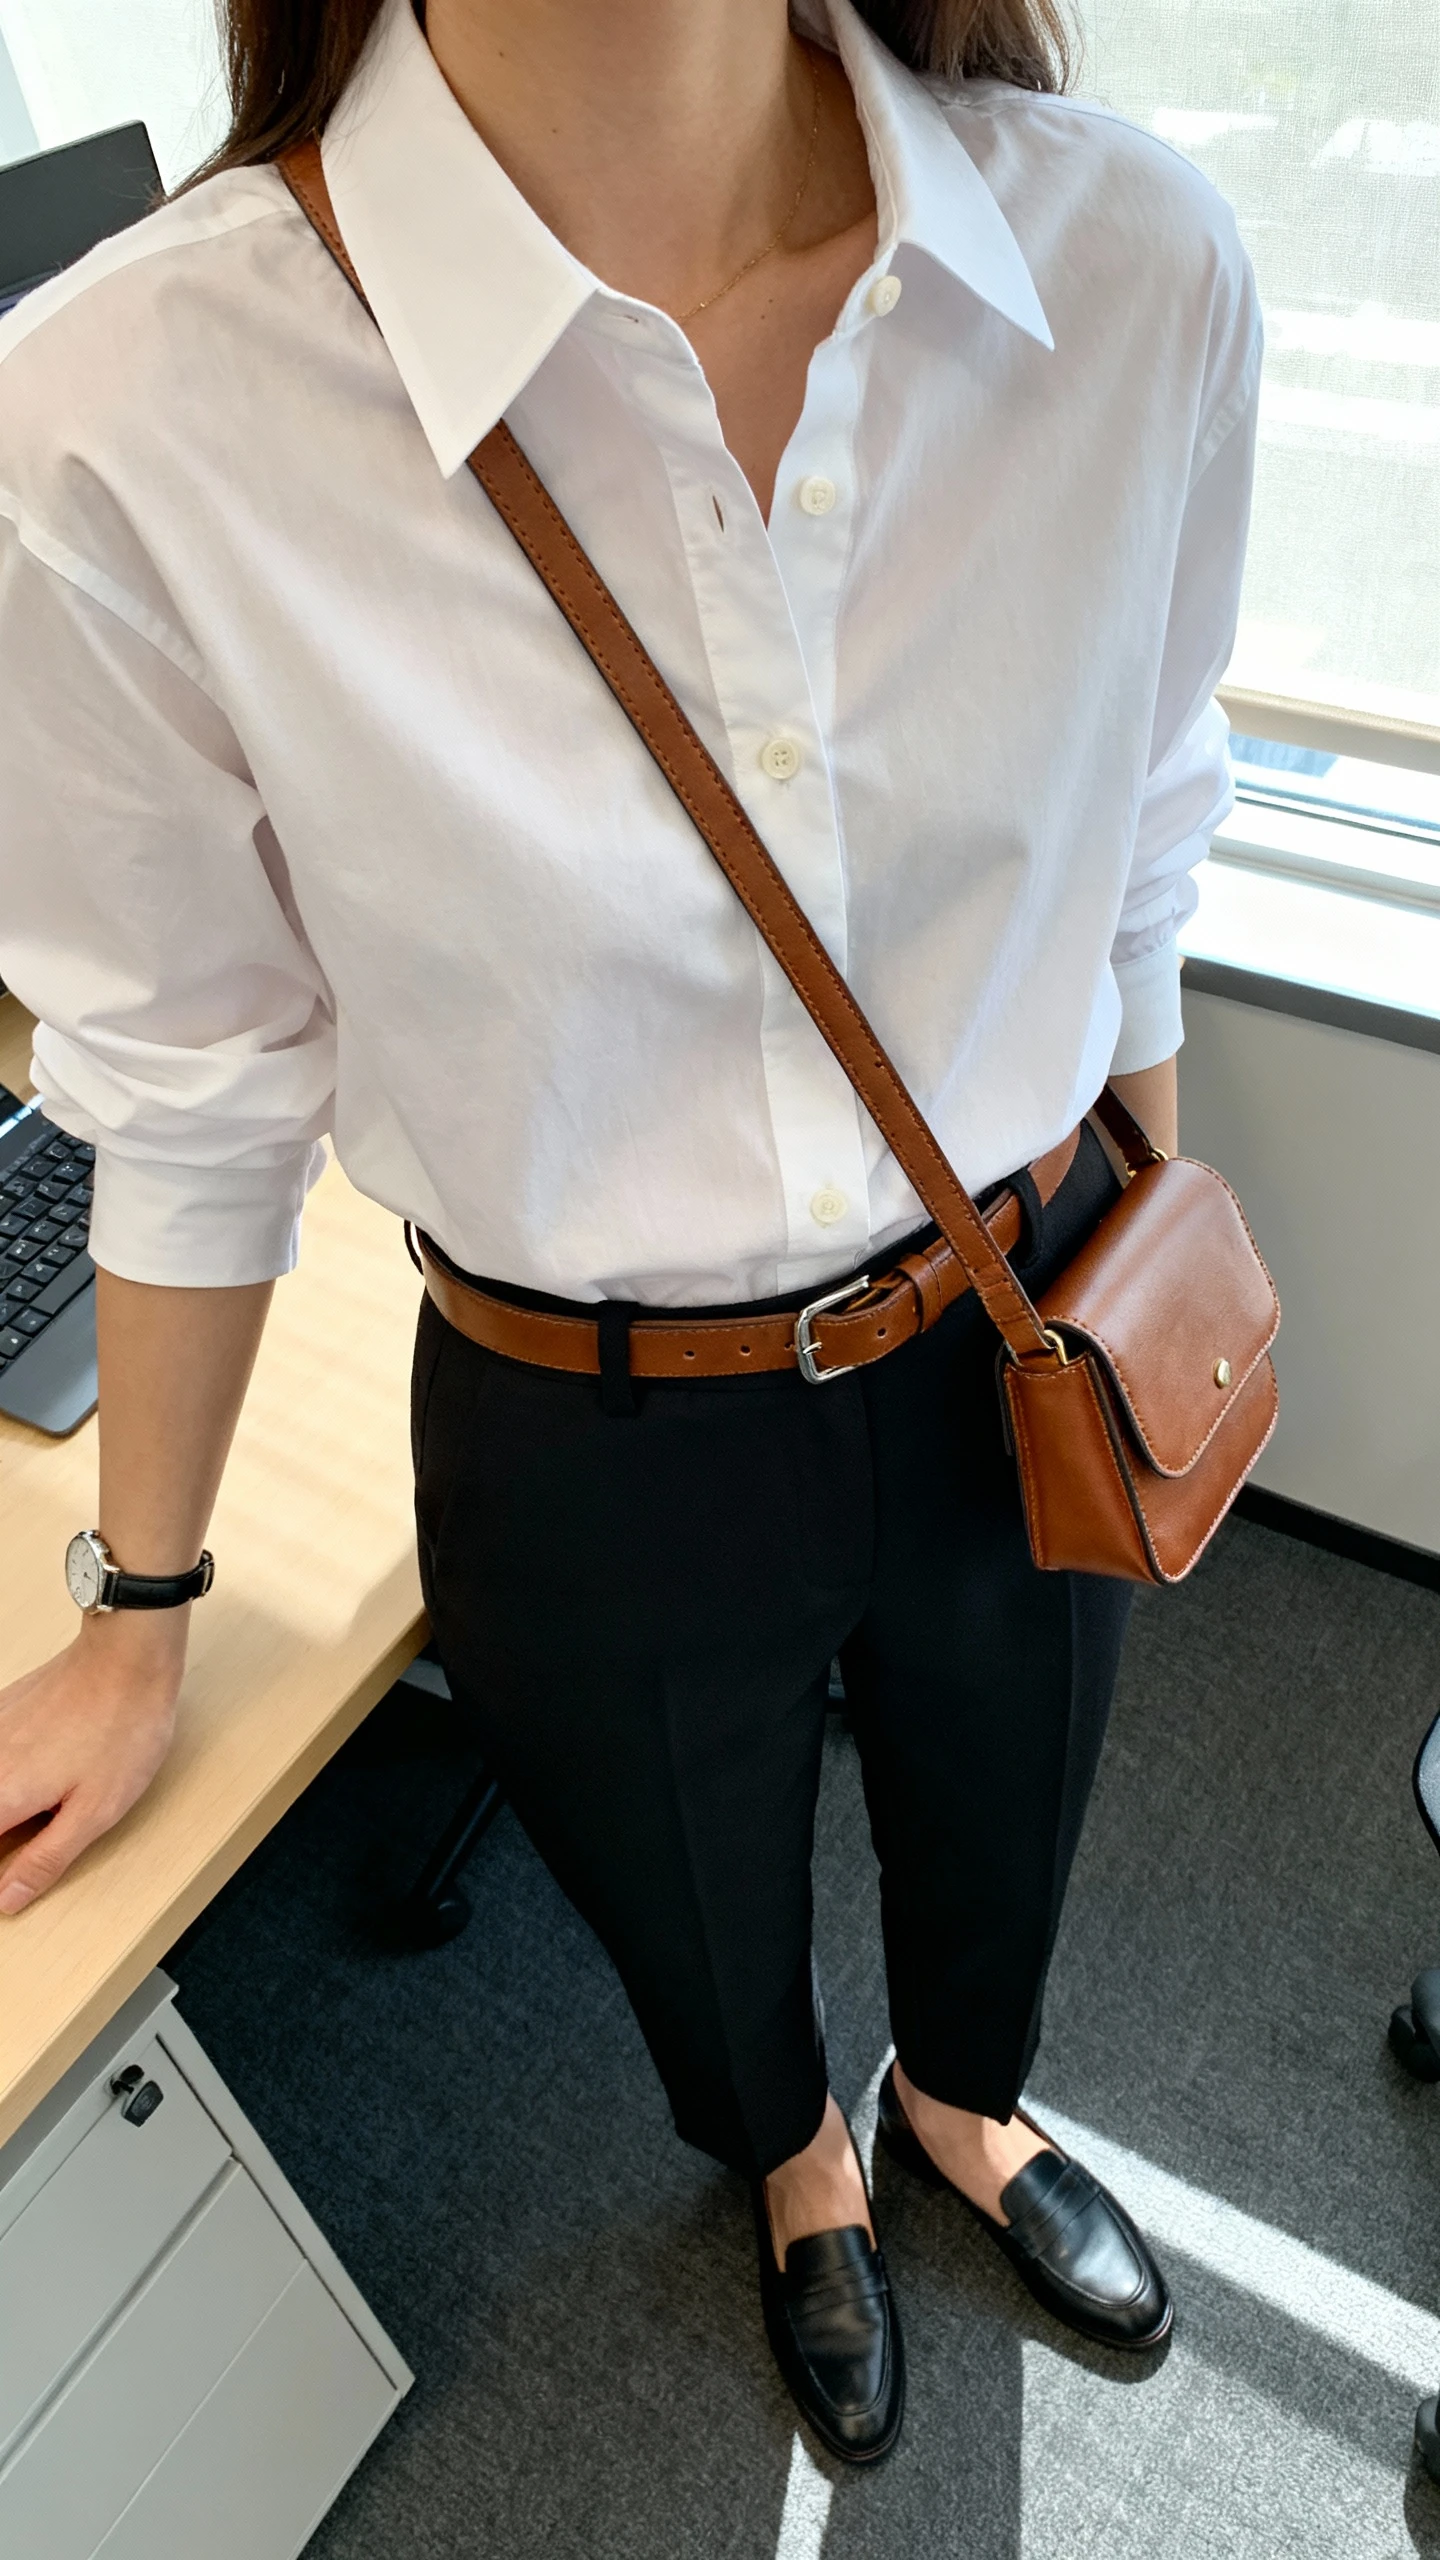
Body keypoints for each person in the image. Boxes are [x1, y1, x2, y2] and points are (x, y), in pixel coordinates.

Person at [0, 0, 1259, 2463]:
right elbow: (188, 1078)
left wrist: (1150, 1268)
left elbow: (1149, 818)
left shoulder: (1135, 262)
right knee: (687, 1901)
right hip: (590, 1420)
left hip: (1015, 1306)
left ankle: (961, 2104)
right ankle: (793, 2162)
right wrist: (141, 1610)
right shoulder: (128, 408)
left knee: (1015, 1811)